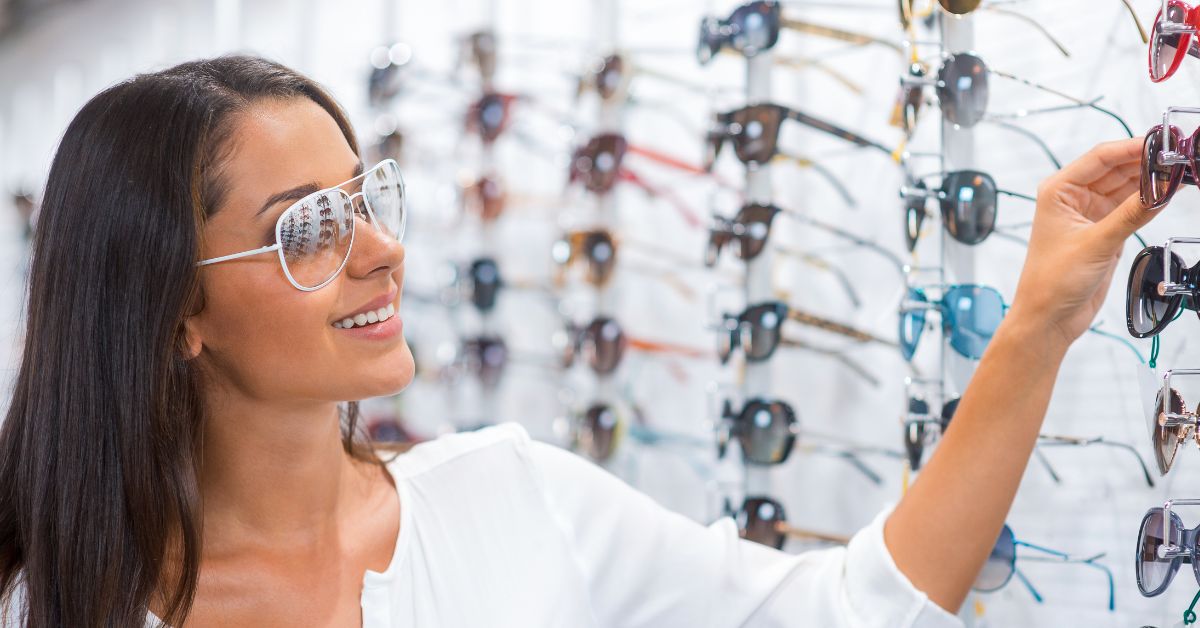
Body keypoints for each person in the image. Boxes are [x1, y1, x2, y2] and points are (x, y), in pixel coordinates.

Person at [0, 55, 1160, 627]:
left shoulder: (509, 500)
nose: (382, 250)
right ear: (177, 311)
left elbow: (850, 608)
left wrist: (1038, 324)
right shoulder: (55, 605)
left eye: (367, 198)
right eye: (309, 229)